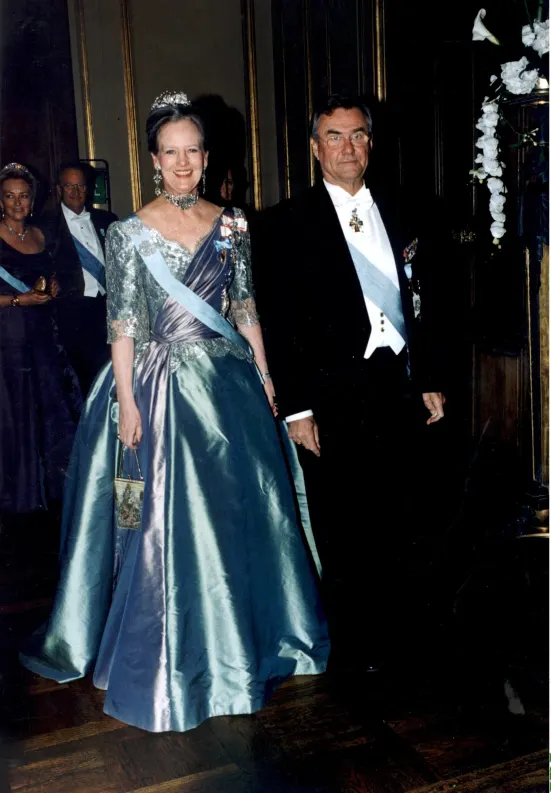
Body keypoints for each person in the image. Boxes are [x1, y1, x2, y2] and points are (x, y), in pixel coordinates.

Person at [21, 92, 329, 733]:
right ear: (154, 161)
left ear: (206, 157)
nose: (183, 163)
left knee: (241, 515)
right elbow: (124, 323)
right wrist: (128, 403)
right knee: (160, 520)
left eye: (193, 150)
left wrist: (266, 375)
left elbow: (245, 308)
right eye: (171, 152)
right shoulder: (129, 234)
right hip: (158, 388)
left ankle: (244, 643)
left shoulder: (236, 224)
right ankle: (169, 654)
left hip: (229, 387)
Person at [252, 95, 446, 673]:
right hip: (331, 394)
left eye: (358, 135)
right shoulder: (285, 222)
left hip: (398, 384)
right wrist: (297, 410)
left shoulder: (406, 208)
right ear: (315, 148)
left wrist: (430, 377)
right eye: (335, 137)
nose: (348, 147)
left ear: (371, 143)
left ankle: (404, 639)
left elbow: (425, 302)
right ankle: (356, 650)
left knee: (405, 514)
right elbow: (279, 323)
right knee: (343, 526)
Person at [0, 163, 82, 513]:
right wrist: (20, 299)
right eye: (9, 196)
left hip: (45, 338)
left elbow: (48, 278)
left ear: (32, 199)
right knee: (16, 415)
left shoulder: (40, 235)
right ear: (0, 201)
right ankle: (19, 498)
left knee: (50, 409)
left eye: (23, 195)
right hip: (10, 339)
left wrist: (53, 287)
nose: (17, 203)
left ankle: (51, 495)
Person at [39, 162, 117, 396]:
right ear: (59, 189)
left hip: (107, 309)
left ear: (88, 189)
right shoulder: (45, 226)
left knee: (113, 373)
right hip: (70, 314)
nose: (75, 192)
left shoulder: (107, 220)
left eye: (80, 186)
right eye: (69, 186)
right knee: (81, 382)